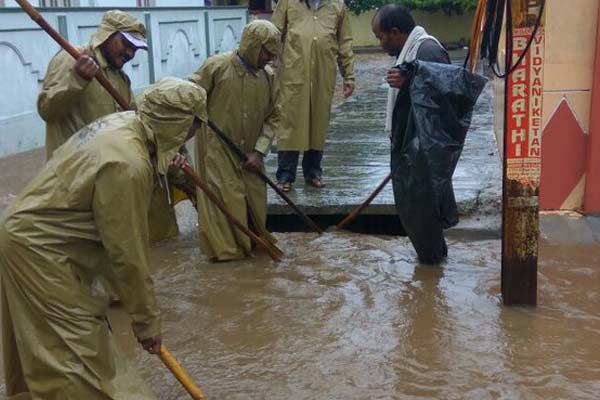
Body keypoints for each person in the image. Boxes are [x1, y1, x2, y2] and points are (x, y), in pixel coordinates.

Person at [0, 78, 207, 399]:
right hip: (39, 251)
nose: (191, 137)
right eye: (191, 128)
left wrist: (167, 165)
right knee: (81, 357)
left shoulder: (124, 124)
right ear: (175, 123)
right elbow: (127, 254)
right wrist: (146, 322)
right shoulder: (128, 165)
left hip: (35, 238)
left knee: (49, 347)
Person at [372, 4, 485, 264]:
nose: (380, 44)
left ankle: (432, 273)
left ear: (397, 32)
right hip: (412, 150)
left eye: (381, 37)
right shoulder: (412, 52)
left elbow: (449, 97)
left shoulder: (428, 50)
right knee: (419, 215)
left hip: (422, 153)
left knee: (422, 214)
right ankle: (434, 269)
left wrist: (410, 81)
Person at [188, 20, 280, 261]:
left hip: (251, 154)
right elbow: (189, 97)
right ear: (252, 45)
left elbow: (274, 116)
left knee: (255, 204)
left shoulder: (269, 77)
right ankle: (227, 257)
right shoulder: (216, 67)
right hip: (217, 149)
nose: (269, 59)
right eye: (266, 52)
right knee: (224, 205)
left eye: (272, 54)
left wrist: (259, 152)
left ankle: (252, 246)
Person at [38, 9, 147, 159]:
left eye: (135, 49)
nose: (130, 53)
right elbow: (46, 110)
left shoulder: (121, 78)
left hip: (107, 169)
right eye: (126, 43)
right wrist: (77, 79)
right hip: (73, 171)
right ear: (107, 35)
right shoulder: (71, 59)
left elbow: (132, 120)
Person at [272, 0, 355, 191]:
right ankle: (285, 175)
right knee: (290, 123)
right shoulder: (287, 3)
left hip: (323, 75)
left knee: (318, 123)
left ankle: (313, 172)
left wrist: (349, 75)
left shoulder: (338, 6)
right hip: (293, 75)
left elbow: (344, 42)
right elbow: (273, 34)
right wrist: (266, 66)